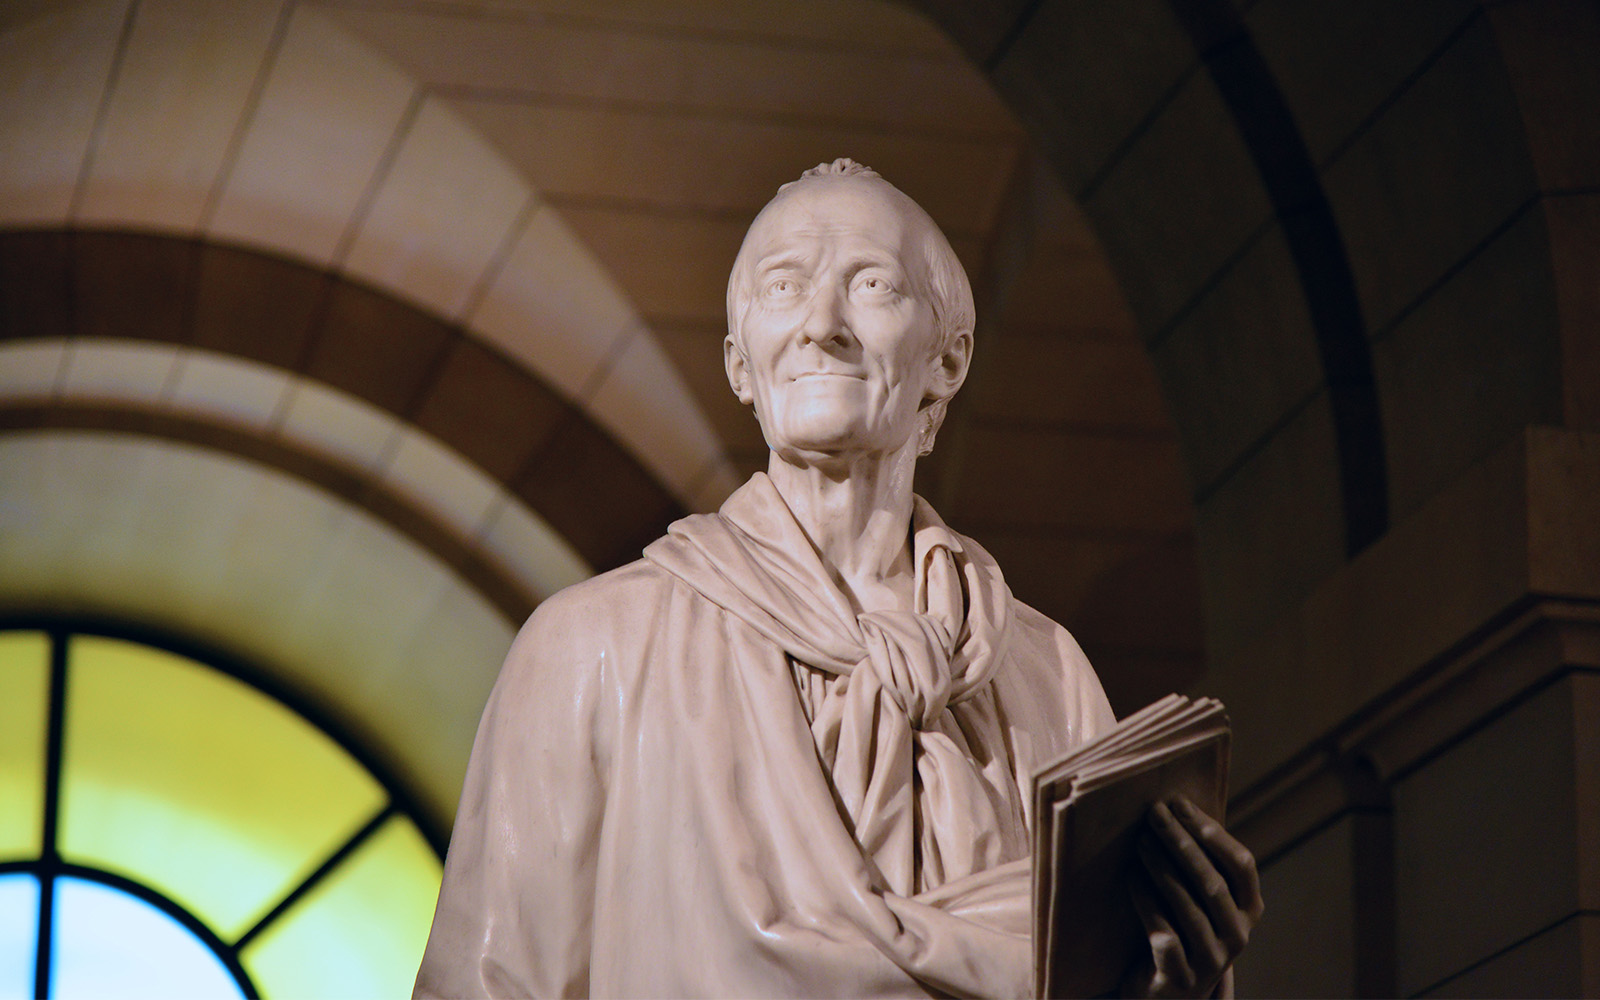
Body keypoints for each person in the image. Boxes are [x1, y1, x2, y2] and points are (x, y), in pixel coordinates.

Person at [414, 159, 1262, 999]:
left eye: (873, 286)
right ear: (740, 364)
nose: (821, 324)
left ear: (948, 360)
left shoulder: (1045, 673)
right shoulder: (594, 647)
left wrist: (1171, 983)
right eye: (784, 288)